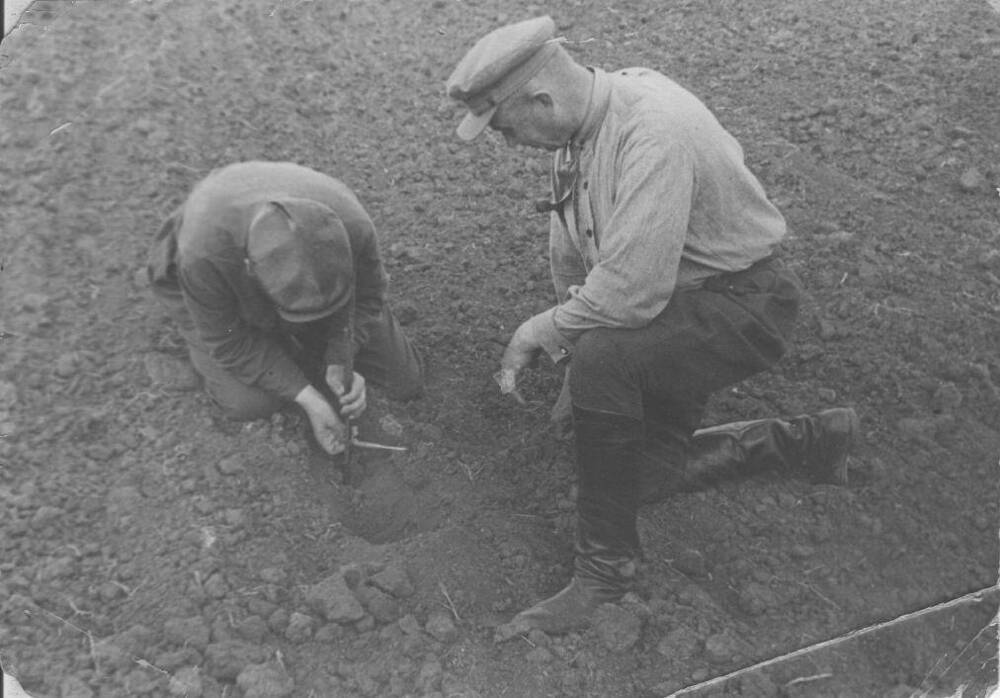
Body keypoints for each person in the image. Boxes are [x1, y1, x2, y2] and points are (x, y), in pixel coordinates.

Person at [446, 17, 860, 633]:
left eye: (504, 127)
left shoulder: (651, 130)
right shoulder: (577, 133)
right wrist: (571, 353)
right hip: (679, 305)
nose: (506, 143)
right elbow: (572, 254)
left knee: (606, 364)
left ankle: (604, 575)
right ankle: (813, 439)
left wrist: (542, 333)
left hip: (742, 305)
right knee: (633, 472)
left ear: (542, 100)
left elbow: (632, 294)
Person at [146, 161, 424, 454]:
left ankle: (307, 342)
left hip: (311, 288)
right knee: (250, 404)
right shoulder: (204, 256)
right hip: (212, 292)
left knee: (403, 381)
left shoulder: (354, 225)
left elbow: (368, 295)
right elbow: (228, 340)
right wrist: (308, 397)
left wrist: (342, 353)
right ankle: (279, 348)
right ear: (250, 271)